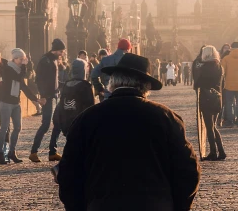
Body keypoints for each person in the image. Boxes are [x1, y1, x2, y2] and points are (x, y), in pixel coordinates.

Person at [57, 53, 200, 210]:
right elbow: (189, 172)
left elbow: (68, 174)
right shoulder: (166, 118)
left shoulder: (86, 119)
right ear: (146, 86)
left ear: (112, 83)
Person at [51, 58, 96, 183]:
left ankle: (65, 170)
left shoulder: (67, 85)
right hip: (80, 121)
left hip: (67, 121)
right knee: (81, 148)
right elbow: (90, 107)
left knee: (74, 147)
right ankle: (61, 169)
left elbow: (62, 105)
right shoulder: (85, 86)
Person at [0, 48, 45, 164]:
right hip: (6, 102)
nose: (22, 61)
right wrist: (24, 67)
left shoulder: (18, 70)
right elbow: (19, 78)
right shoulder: (8, 69)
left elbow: (23, 86)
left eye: (23, 59)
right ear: (14, 59)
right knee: (4, 128)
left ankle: (12, 152)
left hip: (15, 103)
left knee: (18, 127)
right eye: (20, 59)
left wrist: (36, 100)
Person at [30, 39, 66, 163]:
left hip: (55, 96)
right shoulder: (45, 60)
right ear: (55, 50)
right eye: (61, 51)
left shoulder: (54, 60)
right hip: (48, 97)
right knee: (45, 125)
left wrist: (63, 85)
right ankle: (34, 152)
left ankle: (52, 152)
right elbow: (39, 80)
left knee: (58, 123)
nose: (62, 53)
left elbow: (53, 80)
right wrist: (43, 96)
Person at [195, 46, 226, 160]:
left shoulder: (204, 68)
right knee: (213, 126)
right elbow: (224, 83)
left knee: (209, 127)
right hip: (217, 99)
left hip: (207, 99)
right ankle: (221, 151)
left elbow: (197, 83)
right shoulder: (220, 67)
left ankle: (213, 152)